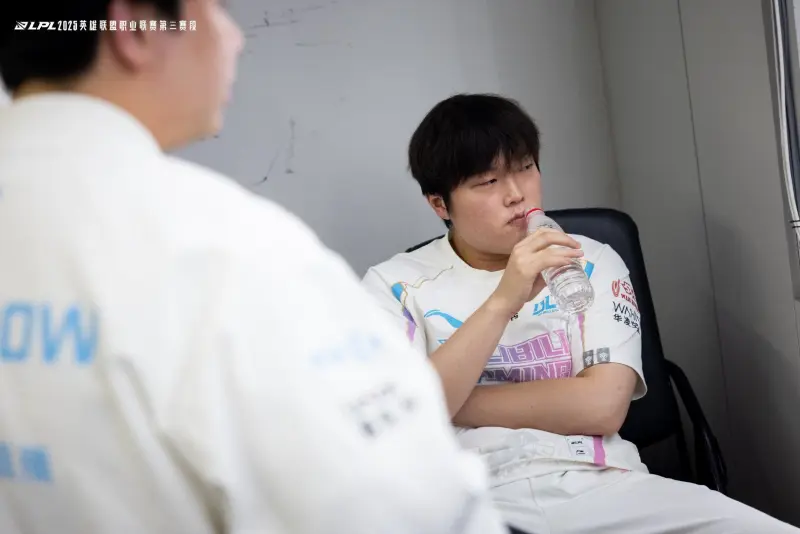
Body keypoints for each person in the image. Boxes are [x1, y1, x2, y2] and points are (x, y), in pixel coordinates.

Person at [0, 4, 509, 533]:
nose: (235, 38)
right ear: (135, 28)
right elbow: (405, 509)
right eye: (214, 9)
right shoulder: (224, 246)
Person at [361, 93, 800, 534]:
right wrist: (503, 301)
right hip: (471, 497)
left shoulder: (588, 260)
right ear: (439, 204)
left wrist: (447, 400)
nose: (516, 194)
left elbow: (602, 408)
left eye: (525, 167)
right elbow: (398, 424)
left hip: (600, 482)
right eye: (488, 181)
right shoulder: (394, 285)